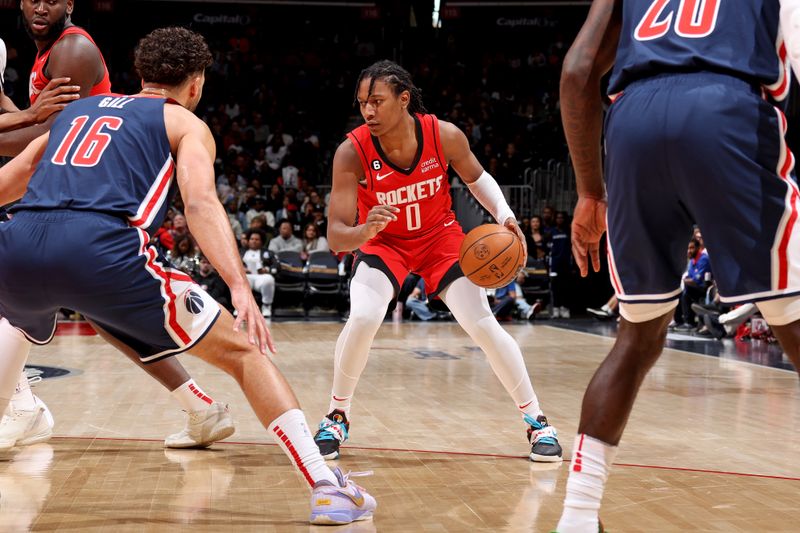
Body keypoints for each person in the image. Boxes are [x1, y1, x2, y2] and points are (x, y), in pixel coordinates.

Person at [0, 27, 376, 524]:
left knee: (57, 338)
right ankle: (327, 487)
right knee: (243, 354)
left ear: (140, 75)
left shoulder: (76, 111)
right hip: (102, 248)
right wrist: (239, 284)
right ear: (196, 84)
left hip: (19, 245)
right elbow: (199, 203)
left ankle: (192, 408)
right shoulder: (183, 123)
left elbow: (14, 176)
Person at [556, 1, 800, 531]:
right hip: (726, 107)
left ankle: (577, 514)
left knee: (637, 335)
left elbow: (577, 73)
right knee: (793, 316)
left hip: (632, 122)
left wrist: (590, 192)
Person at [0, 0, 233, 451]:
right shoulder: (45, 53)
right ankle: (200, 405)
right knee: (92, 310)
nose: (41, 6)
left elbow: (45, 136)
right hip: (70, 197)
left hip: (78, 194)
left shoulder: (72, 52)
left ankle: (23, 406)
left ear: (70, 3)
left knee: (24, 293)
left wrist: (24, 117)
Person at [312, 59, 562, 463]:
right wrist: (364, 232)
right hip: (384, 242)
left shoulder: (442, 134)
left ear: (404, 99)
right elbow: (337, 234)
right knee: (362, 318)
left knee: (482, 323)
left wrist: (507, 218)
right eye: (362, 103)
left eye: (377, 101)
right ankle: (336, 415)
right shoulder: (351, 152)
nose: (368, 111)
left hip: (439, 238)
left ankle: (537, 422)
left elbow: (478, 180)